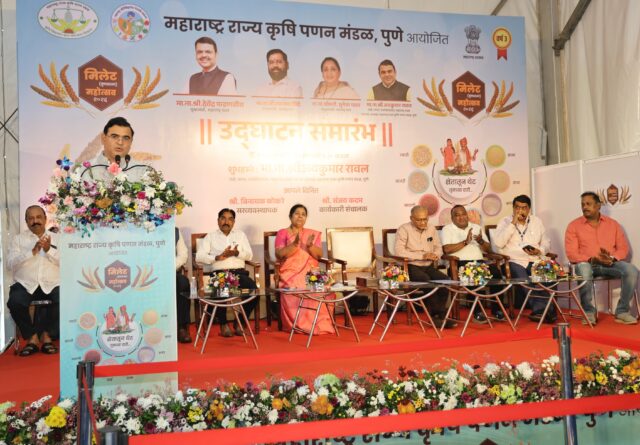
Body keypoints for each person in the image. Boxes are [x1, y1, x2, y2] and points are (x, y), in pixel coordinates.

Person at [565, 191, 638, 325]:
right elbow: (571, 253)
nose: (585, 207)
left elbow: (623, 248)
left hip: (609, 264)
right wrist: (592, 259)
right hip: (588, 264)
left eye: (588, 204)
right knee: (584, 269)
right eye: (582, 204)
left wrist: (612, 259)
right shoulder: (574, 226)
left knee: (631, 270)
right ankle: (588, 312)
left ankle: (622, 311)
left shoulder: (613, 224)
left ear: (598, 205)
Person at [195, 208, 258, 337]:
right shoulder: (210, 236)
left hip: (239, 274)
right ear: (218, 220)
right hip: (220, 274)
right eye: (223, 218)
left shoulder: (240, 235)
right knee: (220, 290)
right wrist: (217, 257)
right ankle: (223, 324)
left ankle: (240, 322)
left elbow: (249, 255)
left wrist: (236, 253)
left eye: (230, 219)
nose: (226, 222)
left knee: (254, 291)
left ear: (234, 222)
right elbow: (199, 257)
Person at [7, 206, 60, 356]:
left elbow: (68, 262)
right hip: (25, 284)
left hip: (52, 283)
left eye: (38, 217)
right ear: (26, 221)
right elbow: (9, 263)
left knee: (64, 298)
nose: (35, 221)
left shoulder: (58, 238)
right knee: (15, 302)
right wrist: (32, 252)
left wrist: (49, 250)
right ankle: (32, 337)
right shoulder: (18, 239)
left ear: (45, 219)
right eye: (31, 218)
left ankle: (48, 336)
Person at [493, 195, 555, 323]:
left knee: (548, 272)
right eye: (517, 207)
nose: (520, 211)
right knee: (523, 277)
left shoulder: (537, 221)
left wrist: (540, 250)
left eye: (524, 208)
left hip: (535, 259)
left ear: (529, 209)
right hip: (513, 261)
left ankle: (548, 310)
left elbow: (546, 242)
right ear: (513, 208)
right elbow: (498, 243)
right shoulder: (505, 222)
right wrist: (512, 224)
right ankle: (541, 311)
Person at [275, 204, 335, 334]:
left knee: (324, 287)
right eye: (297, 213)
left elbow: (318, 255)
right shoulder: (282, 233)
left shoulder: (312, 234)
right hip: (291, 272)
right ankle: (301, 323)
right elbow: (279, 255)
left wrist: (310, 246)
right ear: (290, 216)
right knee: (299, 285)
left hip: (311, 270)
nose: (300, 216)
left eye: (303, 214)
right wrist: (294, 245)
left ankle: (319, 323)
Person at [394, 206, 457, 328]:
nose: (423, 222)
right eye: (419, 220)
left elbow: (438, 247)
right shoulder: (404, 229)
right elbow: (399, 252)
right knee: (426, 281)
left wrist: (435, 255)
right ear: (411, 218)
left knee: (445, 281)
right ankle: (436, 316)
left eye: (425, 219)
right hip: (411, 266)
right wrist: (422, 256)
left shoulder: (431, 228)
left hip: (428, 266)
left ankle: (440, 316)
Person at [441, 205, 505, 323]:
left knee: (496, 273)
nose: (461, 217)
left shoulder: (476, 227)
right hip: (458, 264)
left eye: (463, 214)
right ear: (452, 218)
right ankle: (477, 312)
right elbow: (446, 250)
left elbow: (489, 250)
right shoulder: (447, 229)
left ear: (467, 215)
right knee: (474, 275)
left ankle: (497, 310)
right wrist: (465, 242)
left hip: (479, 263)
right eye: (457, 215)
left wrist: (481, 241)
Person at [83, 117, 150, 182]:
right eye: (114, 136)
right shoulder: (84, 170)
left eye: (126, 138)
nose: (120, 142)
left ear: (131, 142)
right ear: (103, 138)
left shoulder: (143, 171)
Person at [175, 227, 192, 343]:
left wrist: (169, 267)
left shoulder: (174, 231)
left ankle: (182, 327)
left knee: (183, 282)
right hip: (146, 272)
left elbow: (183, 255)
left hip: (170, 271)